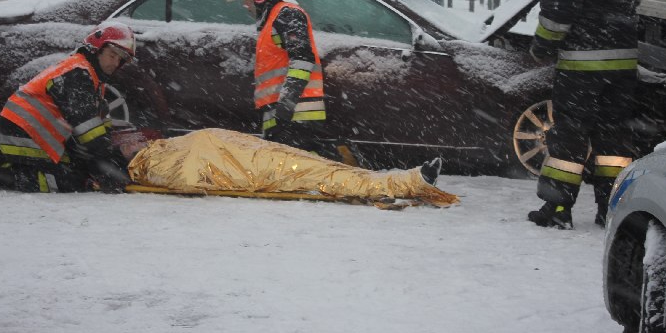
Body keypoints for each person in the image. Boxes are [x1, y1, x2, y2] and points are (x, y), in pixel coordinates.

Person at [527, 0, 641, 230]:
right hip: (622, 68)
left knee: (570, 139)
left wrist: (542, 45)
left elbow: (557, 14)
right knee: (614, 142)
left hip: (581, 68)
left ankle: (558, 209)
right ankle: (611, 208)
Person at [0, 22, 136, 193]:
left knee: (82, 171)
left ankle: (7, 163)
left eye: (120, 59)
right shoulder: (77, 74)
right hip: (26, 134)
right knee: (74, 181)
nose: (116, 63)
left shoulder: (88, 74)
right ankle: (1, 175)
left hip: (33, 134)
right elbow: (89, 132)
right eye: (112, 55)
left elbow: (93, 129)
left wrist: (114, 160)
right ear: (97, 49)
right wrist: (110, 167)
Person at [128, 128, 454, 207]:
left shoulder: (161, 149)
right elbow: (189, 179)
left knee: (320, 167)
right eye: (127, 144)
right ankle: (408, 181)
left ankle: (404, 180)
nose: (133, 140)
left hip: (245, 150)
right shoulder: (151, 164)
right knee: (320, 174)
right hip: (253, 166)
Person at [225, 0, 330, 156]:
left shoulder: (287, 14)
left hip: (296, 112)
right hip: (282, 112)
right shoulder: (273, 18)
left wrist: (286, 103)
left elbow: (303, 59)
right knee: (287, 171)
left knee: (297, 171)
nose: (245, 5)